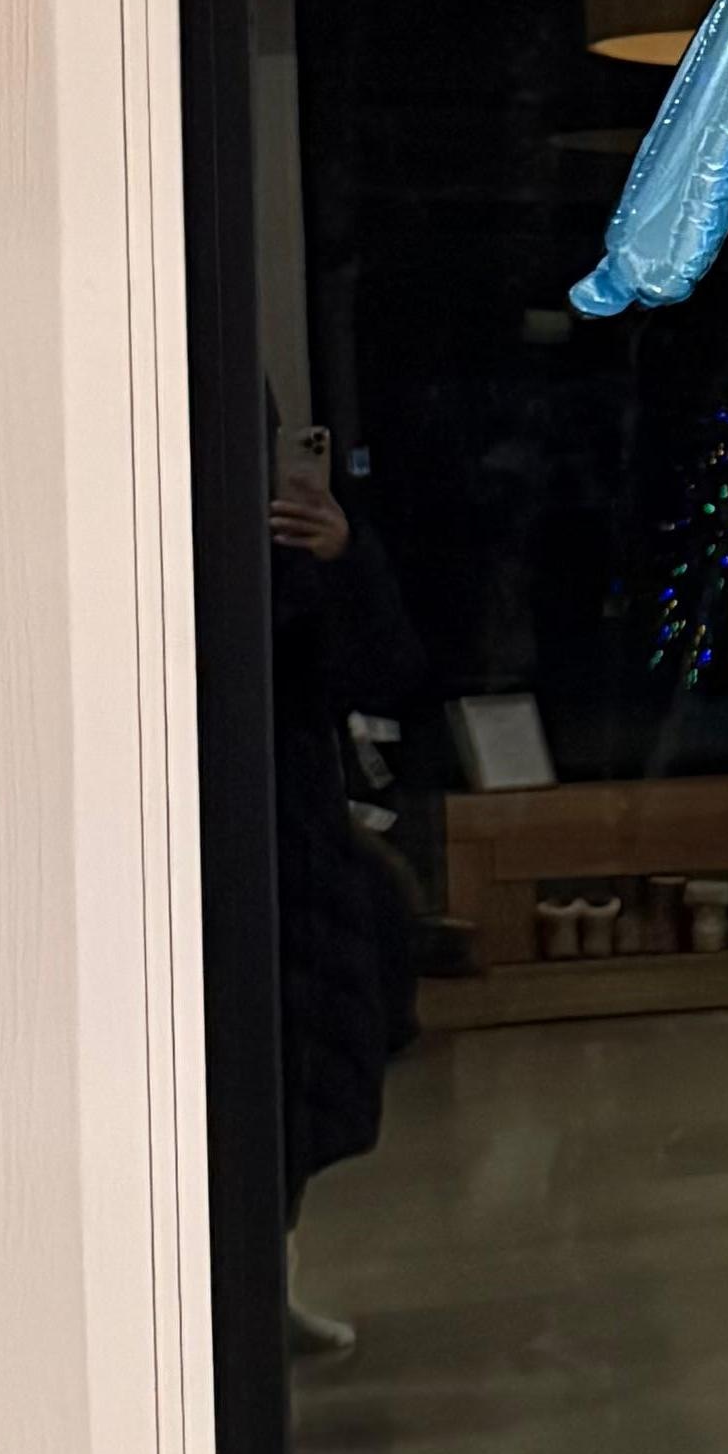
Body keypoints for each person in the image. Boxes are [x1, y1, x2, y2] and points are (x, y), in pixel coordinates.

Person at [269, 416, 424, 1358]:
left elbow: (381, 669)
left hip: (295, 810)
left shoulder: (303, 543)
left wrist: (340, 558)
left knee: (302, 1059)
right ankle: (245, 1287)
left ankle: (270, 1280)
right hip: (224, 811)